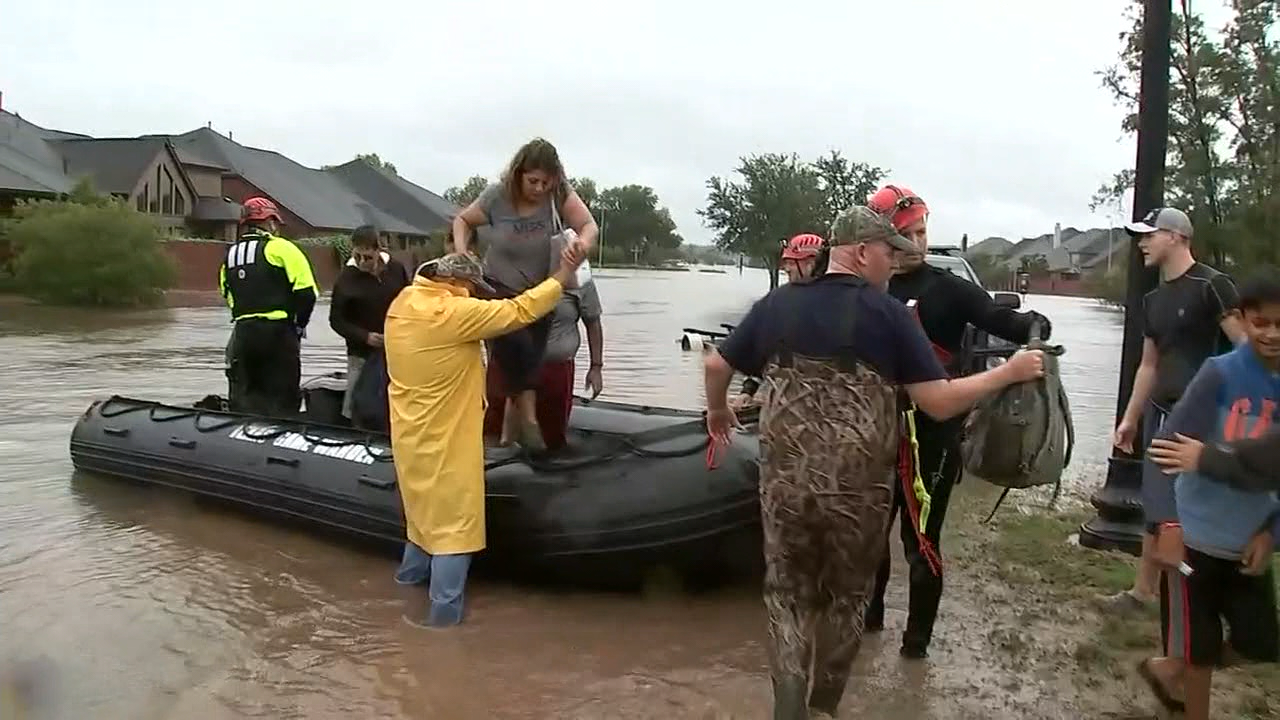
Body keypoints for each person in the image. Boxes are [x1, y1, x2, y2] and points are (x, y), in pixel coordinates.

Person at [703, 205, 1046, 720]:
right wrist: (1009, 372)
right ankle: (823, 709)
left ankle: (788, 707)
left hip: (785, 487)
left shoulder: (777, 304)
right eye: (889, 252)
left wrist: (717, 411)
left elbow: (715, 363)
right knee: (846, 600)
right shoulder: (889, 317)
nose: (894, 264)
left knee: (787, 596)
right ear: (862, 253)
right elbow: (939, 402)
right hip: (858, 494)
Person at [864, 184, 1052, 659]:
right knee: (866, 536)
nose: (919, 243)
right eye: (909, 234)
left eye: (924, 231)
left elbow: (1007, 321)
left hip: (931, 435)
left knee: (921, 541)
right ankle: (866, 625)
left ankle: (914, 650)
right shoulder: (859, 290)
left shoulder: (950, 290)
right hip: (868, 433)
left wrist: (1035, 331)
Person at [385, 244, 586, 628]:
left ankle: (403, 593)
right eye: (471, 286)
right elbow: (519, 311)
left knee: (421, 521)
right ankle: (442, 625)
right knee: (453, 531)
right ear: (455, 282)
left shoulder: (404, 300)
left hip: (409, 434)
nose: (474, 292)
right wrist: (562, 275)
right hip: (447, 438)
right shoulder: (452, 313)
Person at [1136, 267, 1280, 720]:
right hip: (1194, 537)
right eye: (1261, 323)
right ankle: (1186, 688)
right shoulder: (1219, 375)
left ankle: (1166, 668)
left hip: (1248, 539)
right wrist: (1167, 524)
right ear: (1242, 320)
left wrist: (1272, 532)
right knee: (1199, 650)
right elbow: (1162, 452)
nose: (1272, 334)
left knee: (1260, 641)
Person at [1104, 207, 1246, 613]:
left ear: (1177, 237)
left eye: (1149, 235)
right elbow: (1149, 364)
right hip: (1159, 414)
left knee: (1200, 509)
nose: (1142, 244)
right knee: (1157, 505)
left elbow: (1246, 351)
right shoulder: (1153, 300)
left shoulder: (1213, 286)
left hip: (1205, 420)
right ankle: (1142, 592)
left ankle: (1207, 598)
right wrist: (1130, 419)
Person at [451, 138, 599, 451]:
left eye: (546, 182)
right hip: (497, 287)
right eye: (533, 181)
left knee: (527, 361)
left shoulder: (559, 195)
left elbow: (588, 225)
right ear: (519, 174)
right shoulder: (497, 196)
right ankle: (526, 423)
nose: (540, 188)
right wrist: (463, 253)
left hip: (539, 293)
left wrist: (582, 245)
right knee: (512, 343)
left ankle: (507, 439)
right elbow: (463, 220)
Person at [218, 196, 318, 417]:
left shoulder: (230, 256)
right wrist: (298, 326)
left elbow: (229, 296)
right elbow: (307, 293)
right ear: (270, 222)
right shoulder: (283, 248)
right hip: (278, 333)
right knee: (283, 398)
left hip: (243, 334)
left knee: (245, 395)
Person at [483, 281, 604, 452]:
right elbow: (489, 319)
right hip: (507, 365)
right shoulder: (506, 273)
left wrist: (596, 367)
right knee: (495, 431)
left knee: (551, 435)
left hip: (555, 367)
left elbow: (593, 322)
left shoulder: (578, 279)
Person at [328, 225, 411, 421]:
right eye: (357, 256)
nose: (362, 262)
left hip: (395, 351)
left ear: (378, 251)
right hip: (360, 354)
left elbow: (408, 302)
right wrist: (365, 336)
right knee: (356, 403)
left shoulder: (396, 270)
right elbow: (336, 320)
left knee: (394, 403)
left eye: (367, 257)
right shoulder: (346, 279)